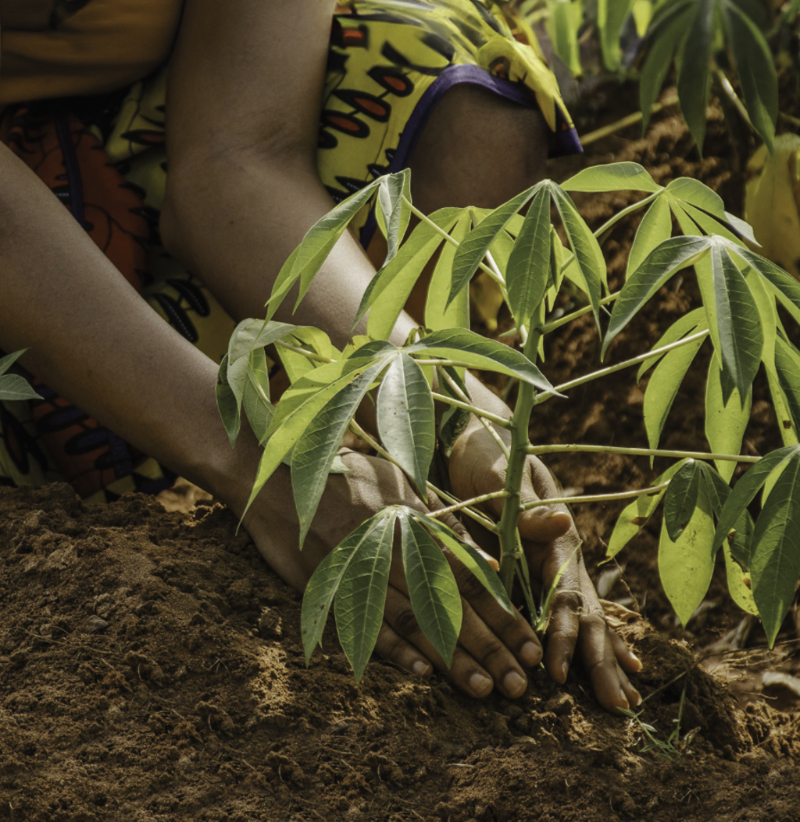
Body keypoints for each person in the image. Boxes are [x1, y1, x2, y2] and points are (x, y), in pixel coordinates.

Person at [0, 0, 642, 712]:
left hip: (134, 134)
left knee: (459, 101)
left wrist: (435, 402)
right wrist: (254, 463)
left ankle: (384, 494)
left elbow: (238, 157)